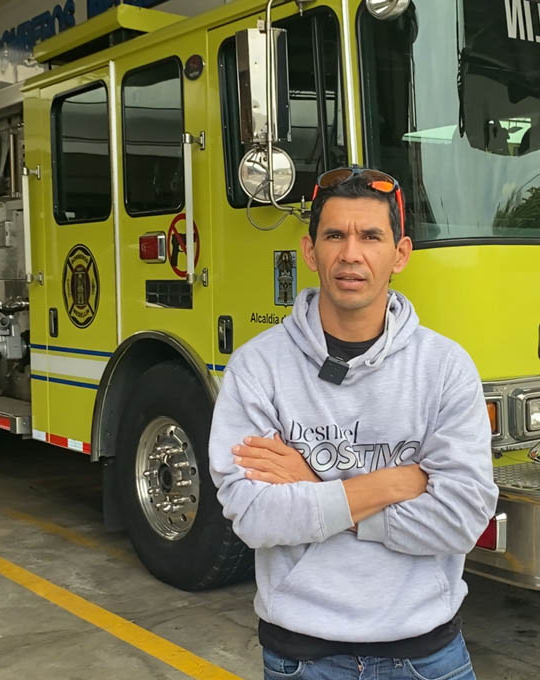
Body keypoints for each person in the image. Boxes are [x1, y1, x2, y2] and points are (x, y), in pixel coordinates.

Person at [208, 166, 499, 680]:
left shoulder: (445, 367)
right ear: (310, 251)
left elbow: (461, 520)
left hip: (427, 655)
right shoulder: (257, 368)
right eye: (335, 235)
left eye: (370, 236)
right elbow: (254, 517)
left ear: (400, 253)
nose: (351, 254)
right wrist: (392, 483)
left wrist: (316, 487)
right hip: (303, 657)